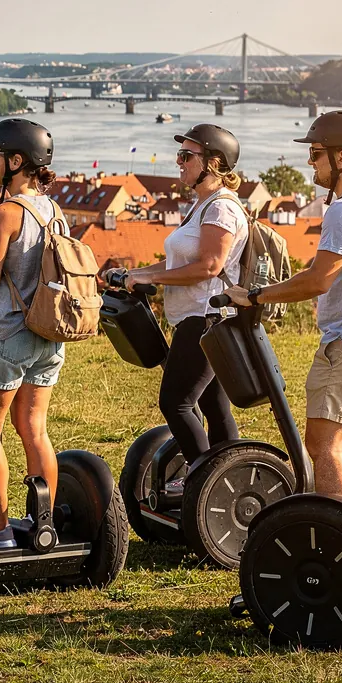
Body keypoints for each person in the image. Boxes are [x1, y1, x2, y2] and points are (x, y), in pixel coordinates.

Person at [223, 110, 342, 532]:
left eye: (317, 153)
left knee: (324, 447)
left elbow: (318, 280)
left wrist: (255, 295)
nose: (311, 162)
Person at [107, 124, 251, 481]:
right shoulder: (202, 205)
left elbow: (208, 266)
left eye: (187, 156)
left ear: (213, 163)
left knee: (176, 402)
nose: (179, 161)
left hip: (207, 319)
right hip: (196, 318)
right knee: (213, 407)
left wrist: (152, 279)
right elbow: (178, 262)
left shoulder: (222, 209)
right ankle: (226, 478)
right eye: (179, 155)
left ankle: (204, 481)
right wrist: (137, 273)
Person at [0, 118, 66, 548]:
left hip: (2, 335)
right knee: (35, 430)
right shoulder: (55, 211)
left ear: (16, 161)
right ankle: (43, 525)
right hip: (47, 335)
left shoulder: (4, 213)